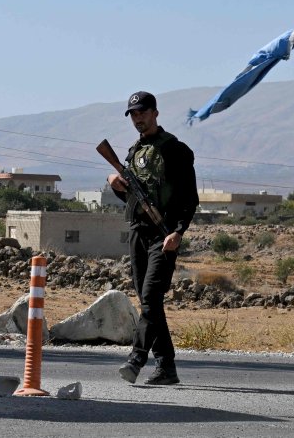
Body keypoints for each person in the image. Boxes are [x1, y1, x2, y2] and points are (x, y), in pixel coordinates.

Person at [107, 90, 197, 385]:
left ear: (155, 113)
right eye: (133, 114)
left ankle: (136, 358)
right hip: (138, 232)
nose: (138, 119)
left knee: (150, 297)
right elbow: (131, 199)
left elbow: (189, 198)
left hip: (164, 234)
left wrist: (178, 232)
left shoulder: (175, 150)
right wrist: (116, 185)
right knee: (150, 302)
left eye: (142, 113)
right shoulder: (133, 153)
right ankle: (166, 367)